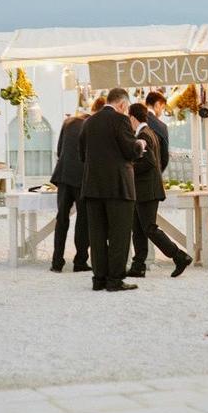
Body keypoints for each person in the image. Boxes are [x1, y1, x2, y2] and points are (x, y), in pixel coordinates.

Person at [79, 88, 145, 292]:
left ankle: (99, 279)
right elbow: (129, 150)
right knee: (119, 234)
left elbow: (82, 154)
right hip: (118, 187)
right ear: (123, 104)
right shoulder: (120, 120)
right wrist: (140, 144)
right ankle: (115, 280)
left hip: (93, 186)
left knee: (97, 235)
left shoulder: (89, 121)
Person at [126, 103, 192, 278]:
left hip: (146, 189)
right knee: (138, 228)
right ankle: (138, 265)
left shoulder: (143, 135)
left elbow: (148, 162)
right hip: (144, 189)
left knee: (149, 228)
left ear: (133, 117)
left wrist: (129, 167)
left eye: (128, 118)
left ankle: (179, 256)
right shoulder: (149, 133)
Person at [50, 112, 91, 273]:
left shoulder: (68, 123)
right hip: (81, 178)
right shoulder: (90, 126)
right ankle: (80, 261)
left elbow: (59, 151)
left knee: (62, 219)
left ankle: (57, 262)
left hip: (63, 175)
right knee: (83, 220)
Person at [145, 91, 169, 173]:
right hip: (154, 173)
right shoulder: (162, 126)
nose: (161, 112)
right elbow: (164, 157)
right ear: (157, 104)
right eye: (162, 108)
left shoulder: (134, 120)